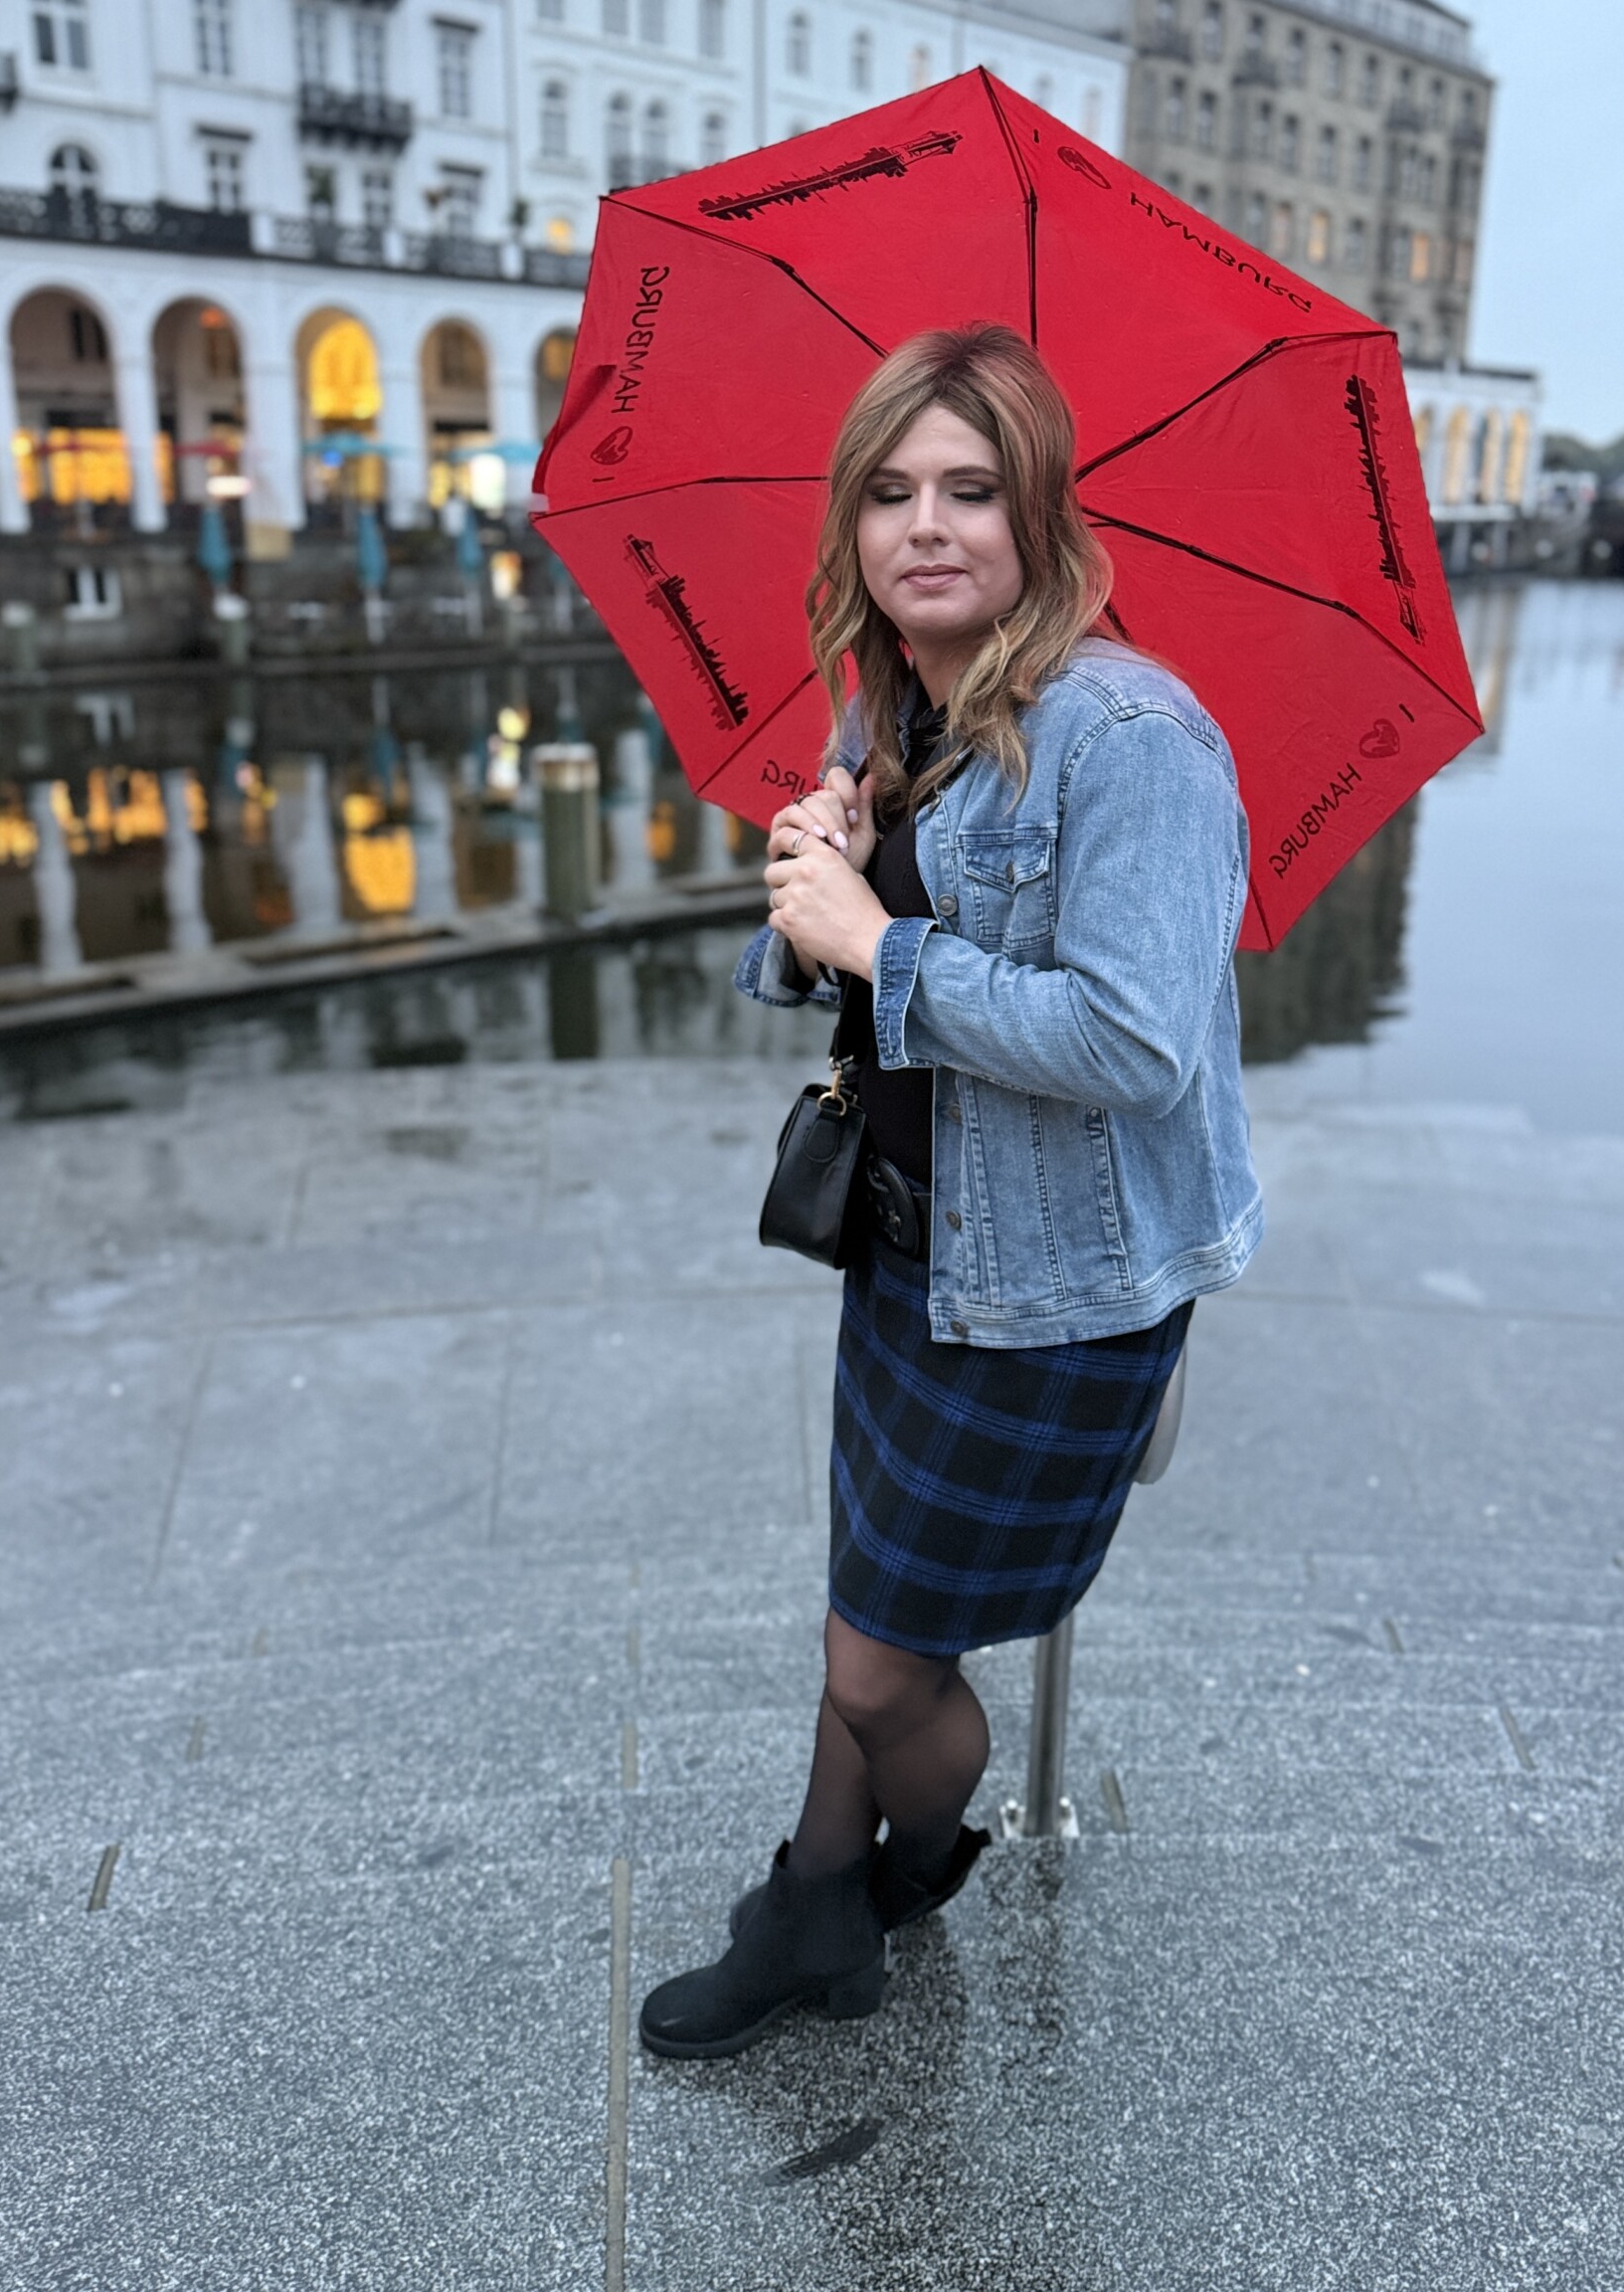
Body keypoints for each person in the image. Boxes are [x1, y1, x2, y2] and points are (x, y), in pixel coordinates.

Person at [637, 323, 1261, 2060]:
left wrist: (880, 942)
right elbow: (839, 969)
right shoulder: (894, 708)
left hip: (1051, 1297)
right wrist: (814, 889)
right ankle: (815, 1904)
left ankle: (911, 1871)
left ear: (1041, 515)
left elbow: (1136, 1042)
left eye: (973, 490)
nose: (927, 526)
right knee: (872, 1612)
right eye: (892, 491)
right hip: (909, 1256)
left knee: (878, 1669)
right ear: (850, 522)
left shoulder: (1130, 735)